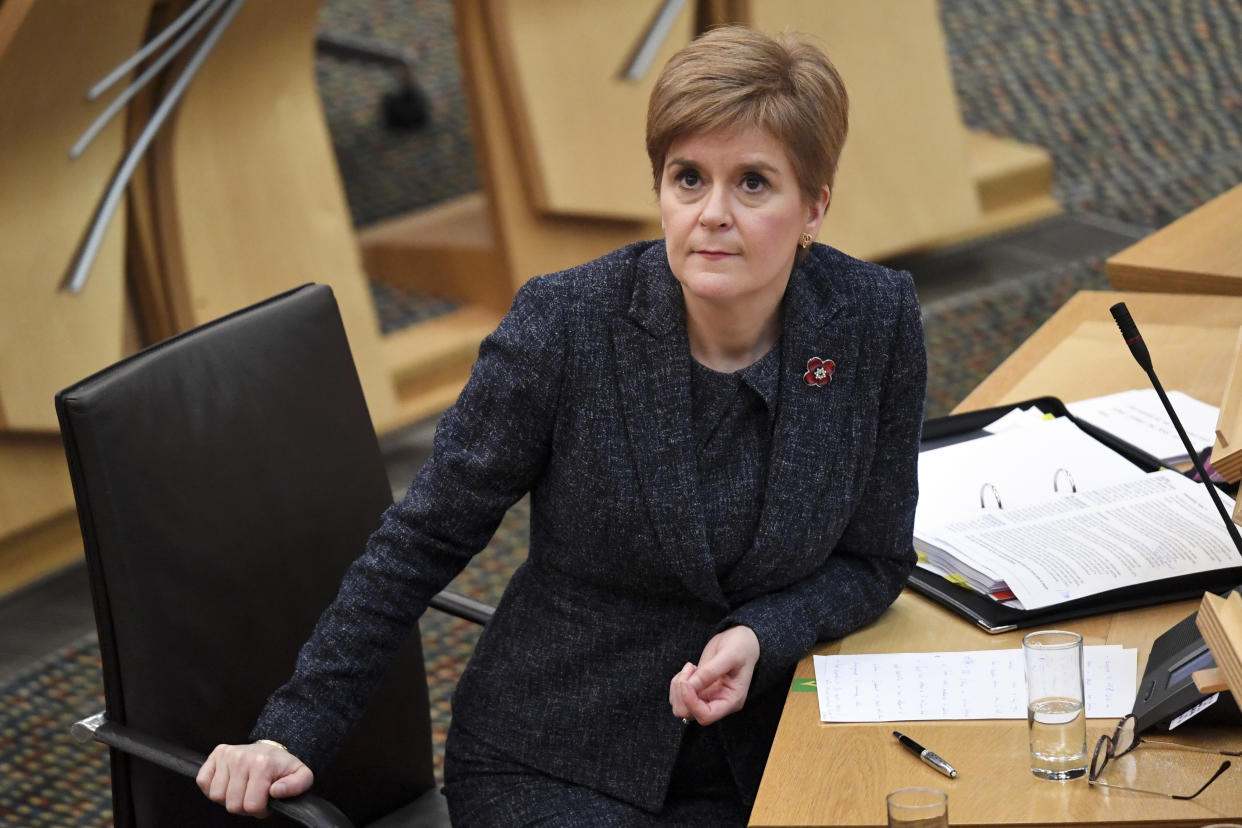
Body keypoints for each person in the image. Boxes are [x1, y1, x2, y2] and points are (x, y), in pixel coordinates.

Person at [197, 24, 925, 826]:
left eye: (753, 184)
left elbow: (873, 558)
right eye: (689, 179)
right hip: (553, 758)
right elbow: (420, 539)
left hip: (762, 753)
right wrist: (293, 728)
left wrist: (763, 632)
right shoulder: (566, 326)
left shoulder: (872, 323)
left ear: (814, 204)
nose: (712, 214)